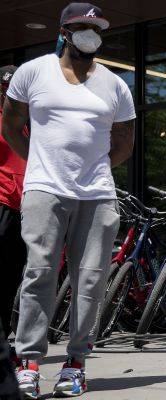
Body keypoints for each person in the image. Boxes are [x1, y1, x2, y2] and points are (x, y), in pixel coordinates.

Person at [1, 3, 136, 398]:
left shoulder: (114, 84)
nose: (90, 34)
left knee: (90, 278)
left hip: (96, 194)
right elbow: (11, 123)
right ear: (64, 31)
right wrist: (41, 161)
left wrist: (94, 169)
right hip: (44, 188)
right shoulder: (33, 72)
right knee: (39, 273)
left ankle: (76, 362)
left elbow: (125, 141)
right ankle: (27, 362)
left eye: (96, 28)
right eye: (82, 27)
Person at [0, 65, 28, 352]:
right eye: (5, 88)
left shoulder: (28, 123)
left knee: (11, 277)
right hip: (1, 203)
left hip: (24, 208)